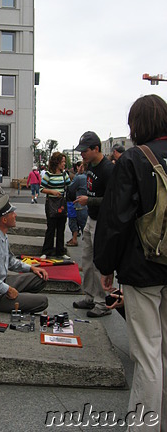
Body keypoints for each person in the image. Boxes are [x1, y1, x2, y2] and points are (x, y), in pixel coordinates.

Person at [94, 94, 167, 430]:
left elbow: (115, 221)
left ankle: (143, 425)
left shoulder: (135, 159)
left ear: (137, 125)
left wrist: (105, 267)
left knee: (148, 353)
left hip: (143, 269)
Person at [0, 195, 49, 313]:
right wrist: (8, 290)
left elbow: (10, 261)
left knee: (40, 278)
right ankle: (10, 301)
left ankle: (16, 299)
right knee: (43, 301)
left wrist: (31, 268)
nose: (15, 215)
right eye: (12, 213)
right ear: (4, 220)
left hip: (1, 285)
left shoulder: (2, 236)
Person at [72, 131, 114, 317]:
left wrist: (89, 201)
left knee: (98, 262)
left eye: (85, 151)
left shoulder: (108, 169)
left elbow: (114, 200)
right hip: (91, 218)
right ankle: (90, 295)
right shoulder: (90, 167)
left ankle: (102, 302)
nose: (82, 155)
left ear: (96, 149)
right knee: (87, 260)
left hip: (102, 222)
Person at [39, 152, 71, 260]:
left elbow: (69, 186)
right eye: (62, 162)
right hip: (51, 204)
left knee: (61, 228)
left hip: (61, 204)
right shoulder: (48, 174)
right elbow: (41, 188)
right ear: (56, 162)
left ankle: (60, 251)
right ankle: (46, 251)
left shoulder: (64, 174)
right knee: (51, 228)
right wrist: (52, 191)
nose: (64, 164)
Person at [66, 161, 88, 246]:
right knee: (86, 228)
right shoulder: (89, 176)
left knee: (80, 225)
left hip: (79, 204)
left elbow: (71, 188)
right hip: (88, 205)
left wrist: (78, 174)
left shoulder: (80, 177)